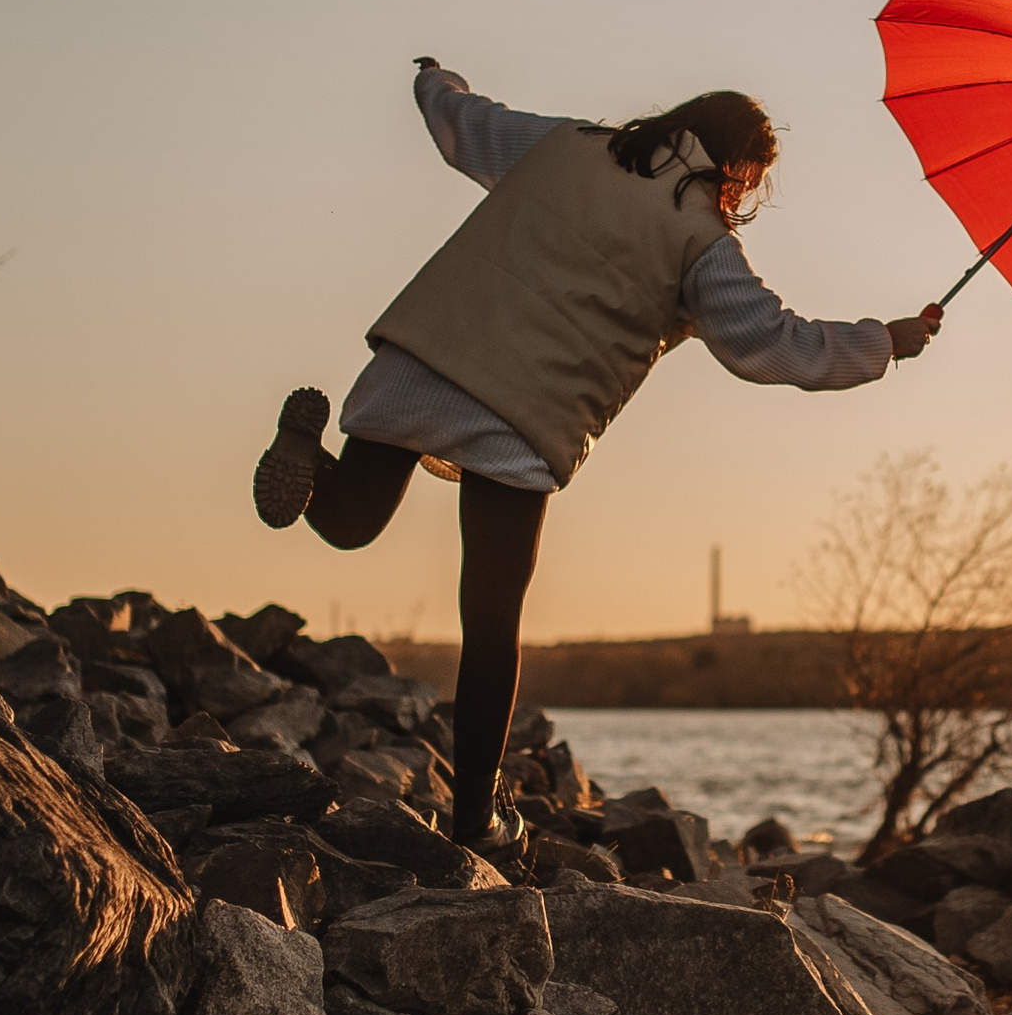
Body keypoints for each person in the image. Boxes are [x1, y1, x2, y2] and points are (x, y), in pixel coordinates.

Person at [252, 64, 941, 859]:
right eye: (750, 180)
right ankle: (473, 819)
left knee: (348, 522)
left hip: (427, 353)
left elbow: (465, 124)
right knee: (491, 622)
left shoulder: (568, 143)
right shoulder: (703, 241)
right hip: (520, 414)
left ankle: (308, 452)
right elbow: (773, 342)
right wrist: (885, 340)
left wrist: (435, 79)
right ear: (737, 168)